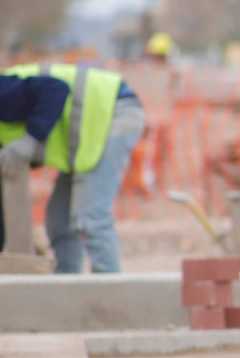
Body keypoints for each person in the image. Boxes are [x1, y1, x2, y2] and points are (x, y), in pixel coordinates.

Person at [0, 63, 145, 273]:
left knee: (91, 218)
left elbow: (55, 89)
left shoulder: (3, 93)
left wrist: (30, 140)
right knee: (60, 223)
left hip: (113, 110)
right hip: (84, 139)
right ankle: (68, 290)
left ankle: (111, 298)